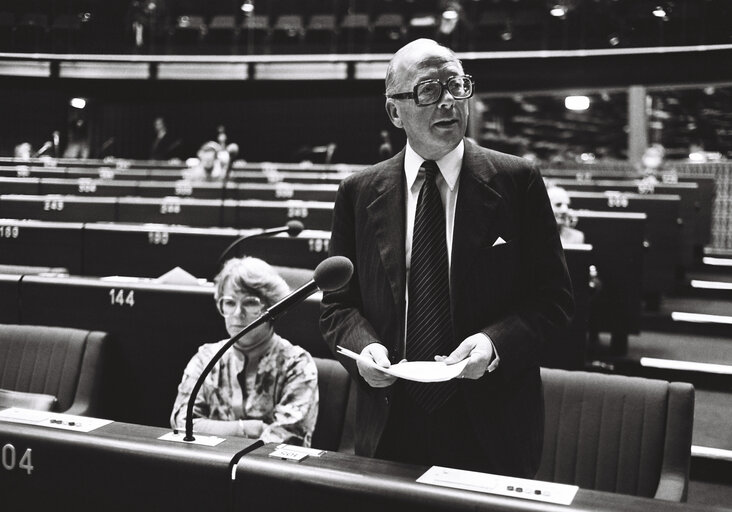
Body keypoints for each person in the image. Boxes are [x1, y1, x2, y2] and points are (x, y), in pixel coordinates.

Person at [320, 39, 573, 477]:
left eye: (457, 85)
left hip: (490, 419)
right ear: (395, 111)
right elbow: (338, 305)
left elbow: (554, 301)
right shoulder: (358, 192)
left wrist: (493, 343)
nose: (449, 101)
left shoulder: (518, 181)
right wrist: (365, 350)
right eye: (429, 90)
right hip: (391, 417)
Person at [171, 256, 319, 446]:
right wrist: (247, 428)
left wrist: (212, 429)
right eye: (230, 303)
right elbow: (181, 423)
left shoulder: (297, 363)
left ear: (272, 306)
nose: (237, 314)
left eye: (250, 303)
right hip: (211, 467)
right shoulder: (206, 357)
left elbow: (289, 437)